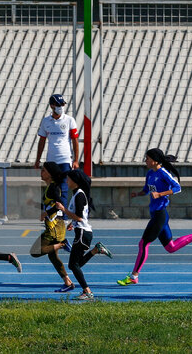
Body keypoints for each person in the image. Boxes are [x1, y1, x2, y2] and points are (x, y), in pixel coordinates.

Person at [117, 148, 192, 286]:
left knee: (143, 243)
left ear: (155, 161)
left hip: (160, 214)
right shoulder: (150, 174)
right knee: (171, 247)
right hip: (156, 214)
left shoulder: (163, 173)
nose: (145, 160)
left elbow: (177, 188)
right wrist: (137, 194)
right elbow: (147, 190)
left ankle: (134, 276)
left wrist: (160, 194)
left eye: (147, 158)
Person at [55, 168, 113, 300]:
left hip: (83, 233)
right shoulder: (77, 194)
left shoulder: (79, 195)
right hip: (82, 232)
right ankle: (96, 250)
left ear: (75, 181)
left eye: (69, 179)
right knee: (75, 265)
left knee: (73, 265)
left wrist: (64, 210)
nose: (67, 181)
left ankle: (87, 291)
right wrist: (72, 223)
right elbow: (79, 217)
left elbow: (80, 217)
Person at [31, 161, 73, 291]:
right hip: (56, 226)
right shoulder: (50, 187)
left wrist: (45, 213)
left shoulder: (54, 188)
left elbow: (59, 204)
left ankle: (62, 244)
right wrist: (34, 204)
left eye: (43, 170)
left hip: (54, 228)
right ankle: (68, 282)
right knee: (53, 256)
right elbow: (50, 205)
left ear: (50, 174)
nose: (41, 173)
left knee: (35, 251)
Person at [34, 93, 79, 199]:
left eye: (62, 105)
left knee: (63, 188)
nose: (61, 107)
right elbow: (42, 141)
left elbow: (75, 140)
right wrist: (38, 160)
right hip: (51, 161)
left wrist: (76, 160)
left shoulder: (69, 120)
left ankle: (63, 215)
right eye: (58, 105)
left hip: (65, 160)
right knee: (51, 188)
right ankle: (52, 213)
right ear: (52, 106)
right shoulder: (46, 121)